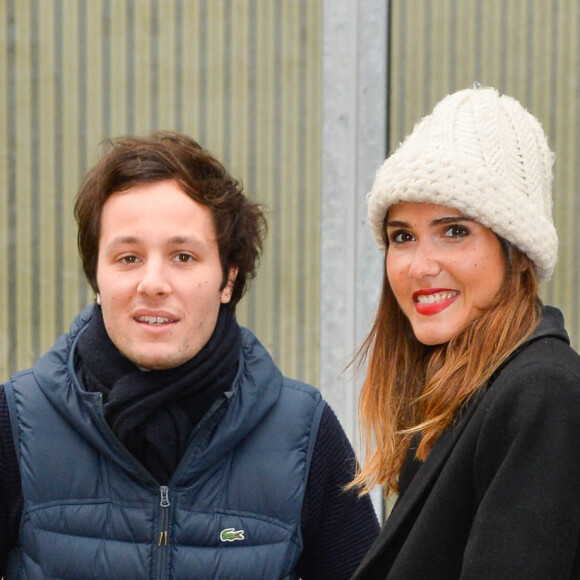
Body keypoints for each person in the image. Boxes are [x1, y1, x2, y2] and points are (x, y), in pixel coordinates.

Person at [0, 131, 379, 579]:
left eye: (182, 256)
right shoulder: (16, 425)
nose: (153, 282)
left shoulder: (305, 435)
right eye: (127, 258)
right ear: (96, 279)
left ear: (228, 279)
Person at [349, 87, 580, 579]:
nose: (419, 265)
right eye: (402, 236)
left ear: (515, 252)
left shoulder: (541, 394)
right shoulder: (454, 392)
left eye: (454, 231)